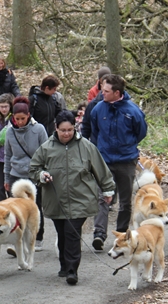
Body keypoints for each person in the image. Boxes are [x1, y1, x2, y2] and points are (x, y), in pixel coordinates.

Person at [30, 111, 115, 286]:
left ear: (74, 128)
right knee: (62, 233)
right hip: (56, 199)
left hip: (81, 198)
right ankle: (64, 265)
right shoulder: (46, 148)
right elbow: (33, 169)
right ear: (56, 129)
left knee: (72, 232)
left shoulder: (86, 146)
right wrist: (42, 175)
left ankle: (72, 270)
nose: (67, 133)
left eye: (70, 129)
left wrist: (108, 190)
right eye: (63, 130)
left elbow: (101, 169)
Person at [89, 74, 148, 251]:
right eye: (102, 89)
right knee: (102, 197)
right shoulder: (98, 109)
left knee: (125, 201)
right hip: (104, 160)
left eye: (106, 91)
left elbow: (141, 132)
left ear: (117, 92)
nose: (102, 93)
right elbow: (94, 131)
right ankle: (99, 233)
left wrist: (128, 146)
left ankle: (122, 232)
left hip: (126, 160)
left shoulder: (133, 111)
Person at [3, 96, 48, 251]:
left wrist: (44, 173)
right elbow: (7, 156)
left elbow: (46, 152)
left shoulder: (39, 129)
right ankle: (17, 242)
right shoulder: (10, 132)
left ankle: (38, 238)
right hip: (16, 173)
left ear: (29, 115)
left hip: (34, 174)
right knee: (15, 209)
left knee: (35, 206)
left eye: (23, 118)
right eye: (17, 119)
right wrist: (6, 177)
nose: (20, 122)